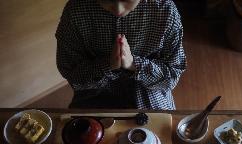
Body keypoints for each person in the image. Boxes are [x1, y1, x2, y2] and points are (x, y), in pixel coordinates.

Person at [56, 0, 186, 110]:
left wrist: (133, 64)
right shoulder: (75, 11)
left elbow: (172, 75)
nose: (118, 9)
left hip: (150, 91)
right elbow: (71, 74)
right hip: (93, 92)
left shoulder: (165, 11)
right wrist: (107, 65)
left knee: (159, 135)